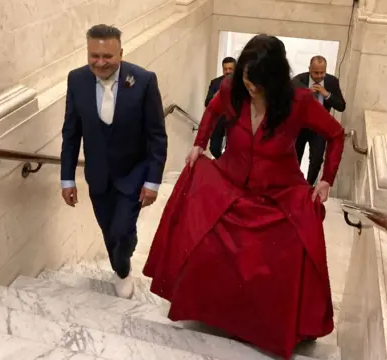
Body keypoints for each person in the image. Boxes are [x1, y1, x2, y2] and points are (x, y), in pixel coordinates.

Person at [143, 34, 345, 359]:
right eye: (248, 81)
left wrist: (326, 180)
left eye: (258, 84)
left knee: (283, 257)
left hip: (280, 194)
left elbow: (335, 135)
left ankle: (271, 326)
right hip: (229, 182)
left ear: (276, 80)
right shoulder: (231, 90)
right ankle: (213, 312)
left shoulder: (300, 102)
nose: (251, 89)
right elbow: (211, 112)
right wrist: (199, 144)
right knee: (202, 239)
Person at [60, 24, 167, 299]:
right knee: (109, 231)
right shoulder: (76, 80)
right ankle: (121, 261)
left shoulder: (143, 80)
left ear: (120, 52)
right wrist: (67, 178)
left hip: (134, 173)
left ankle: (122, 269)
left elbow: (156, 136)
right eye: (94, 55)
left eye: (107, 56)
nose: (100, 62)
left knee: (121, 229)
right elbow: (71, 133)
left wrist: (153, 181)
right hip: (97, 176)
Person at [292, 55, 346, 185]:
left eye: (322, 72)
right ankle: (294, 185)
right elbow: (290, 104)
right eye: (316, 72)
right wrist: (305, 94)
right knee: (295, 157)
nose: (319, 76)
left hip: (320, 128)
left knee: (316, 159)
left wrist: (327, 94)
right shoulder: (298, 81)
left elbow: (341, 106)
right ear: (309, 68)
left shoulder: (332, 82)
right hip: (300, 127)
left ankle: (309, 185)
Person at [204, 57, 236, 158]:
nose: (228, 71)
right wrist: (216, 96)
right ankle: (221, 161)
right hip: (219, 120)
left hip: (234, 120)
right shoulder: (215, 83)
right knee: (214, 147)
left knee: (232, 147)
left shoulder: (242, 83)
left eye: (230, 68)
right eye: (225, 69)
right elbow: (207, 102)